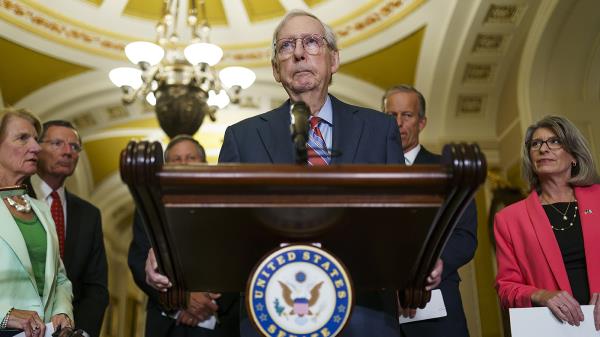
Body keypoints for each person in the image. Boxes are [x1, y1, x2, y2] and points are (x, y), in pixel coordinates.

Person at [216, 10, 441, 336]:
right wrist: (173, 254)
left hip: (365, 312)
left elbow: (402, 211)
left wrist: (422, 255)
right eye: (286, 46)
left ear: (333, 60)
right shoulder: (243, 137)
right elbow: (223, 226)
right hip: (272, 309)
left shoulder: (379, 129)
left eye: (311, 42)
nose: (298, 53)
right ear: (276, 69)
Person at [383, 85, 478, 337]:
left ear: (422, 122)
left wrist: (436, 263)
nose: (398, 123)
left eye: (407, 115)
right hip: (381, 315)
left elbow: (464, 236)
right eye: (391, 116)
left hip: (437, 313)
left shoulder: (449, 171)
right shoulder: (369, 173)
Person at [494, 115, 600, 331]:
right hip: (552, 328)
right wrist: (541, 295)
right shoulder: (509, 219)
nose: (543, 149)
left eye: (554, 141)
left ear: (574, 155)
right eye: (536, 144)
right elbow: (506, 288)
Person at [128, 135, 239, 337]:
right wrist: (181, 301)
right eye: (176, 159)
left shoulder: (228, 204)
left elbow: (239, 256)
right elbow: (137, 260)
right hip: (167, 323)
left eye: (191, 157)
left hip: (221, 322)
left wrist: (210, 303)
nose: (184, 163)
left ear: (205, 164)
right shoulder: (149, 207)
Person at [28, 120, 108, 337]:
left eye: (74, 147)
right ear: (36, 147)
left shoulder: (90, 214)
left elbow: (96, 287)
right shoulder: (17, 197)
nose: (67, 152)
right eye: (57, 143)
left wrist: (80, 332)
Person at [0, 108, 72, 337]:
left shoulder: (41, 209)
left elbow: (59, 277)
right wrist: (4, 314)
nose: (36, 147)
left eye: (35, 139)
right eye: (23, 138)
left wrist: (63, 312)